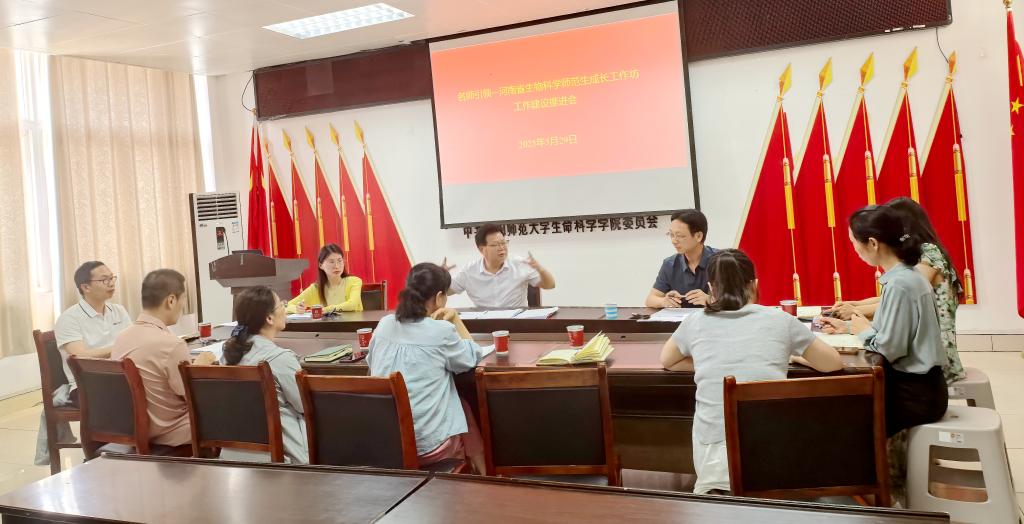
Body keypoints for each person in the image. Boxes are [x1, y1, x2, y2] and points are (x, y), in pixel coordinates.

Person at [660, 249, 843, 495]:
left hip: (714, 463)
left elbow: (668, 361)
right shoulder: (780, 319)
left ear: (711, 288)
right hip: (775, 457)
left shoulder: (695, 321)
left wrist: (707, 362)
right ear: (754, 284)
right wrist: (792, 357)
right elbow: (832, 363)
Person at [819, 205, 949, 506]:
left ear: (873, 243)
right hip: (921, 386)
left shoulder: (901, 284)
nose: (854, 249)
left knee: (842, 418)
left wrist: (863, 330)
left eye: (854, 242)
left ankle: (873, 497)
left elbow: (890, 348)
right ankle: (862, 489)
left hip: (914, 394)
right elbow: (890, 332)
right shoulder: (904, 277)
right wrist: (849, 326)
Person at [827, 197, 965, 384]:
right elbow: (892, 307)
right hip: (920, 357)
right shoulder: (903, 275)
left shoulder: (909, 275)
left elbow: (892, 340)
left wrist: (857, 318)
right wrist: (851, 322)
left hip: (924, 364)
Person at [368, 262, 489, 473]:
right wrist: (454, 320)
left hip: (387, 442)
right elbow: (471, 357)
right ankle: (482, 475)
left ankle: (482, 474)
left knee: (461, 406)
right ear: (439, 297)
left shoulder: (384, 324)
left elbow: (371, 366)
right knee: (461, 408)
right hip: (428, 448)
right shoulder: (441, 331)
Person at [36, 261, 131, 465]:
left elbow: (133, 343)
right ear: (85, 287)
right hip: (85, 385)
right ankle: (100, 457)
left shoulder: (119, 311)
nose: (111, 283)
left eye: (112, 278)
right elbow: (80, 358)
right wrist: (118, 347)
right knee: (121, 397)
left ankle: (137, 450)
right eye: (104, 279)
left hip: (121, 378)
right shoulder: (69, 318)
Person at [111, 269, 216, 448]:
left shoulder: (121, 337)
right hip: (171, 431)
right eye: (183, 299)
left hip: (132, 428)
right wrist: (199, 367)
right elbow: (193, 396)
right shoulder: (172, 344)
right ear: (171, 300)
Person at [221, 286, 307, 464]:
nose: (285, 308)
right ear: (269, 318)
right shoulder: (280, 358)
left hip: (233, 455)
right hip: (282, 456)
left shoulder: (226, 357)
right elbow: (306, 406)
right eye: (281, 305)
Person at [447, 223, 555, 309]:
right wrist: (440, 276)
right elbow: (446, 292)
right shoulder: (469, 271)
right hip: (485, 325)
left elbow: (550, 285)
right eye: (495, 244)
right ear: (481, 249)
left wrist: (540, 269)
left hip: (517, 324)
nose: (502, 248)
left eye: (503, 243)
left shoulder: (520, 264)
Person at [646, 210, 718, 309]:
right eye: (671, 235)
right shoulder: (670, 264)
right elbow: (650, 300)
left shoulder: (721, 261)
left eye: (680, 236)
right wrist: (664, 301)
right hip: (682, 318)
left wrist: (711, 300)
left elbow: (738, 300)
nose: (674, 241)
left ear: (698, 236)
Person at [287, 244, 363, 314]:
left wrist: (327, 309)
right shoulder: (316, 288)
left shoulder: (354, 281)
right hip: (328, 324)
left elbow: (352, 305)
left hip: (353, 324)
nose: (336, 266)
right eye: (331, 262)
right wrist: (296, 309)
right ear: (321, 265)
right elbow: (286, 306)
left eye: (339, 261)